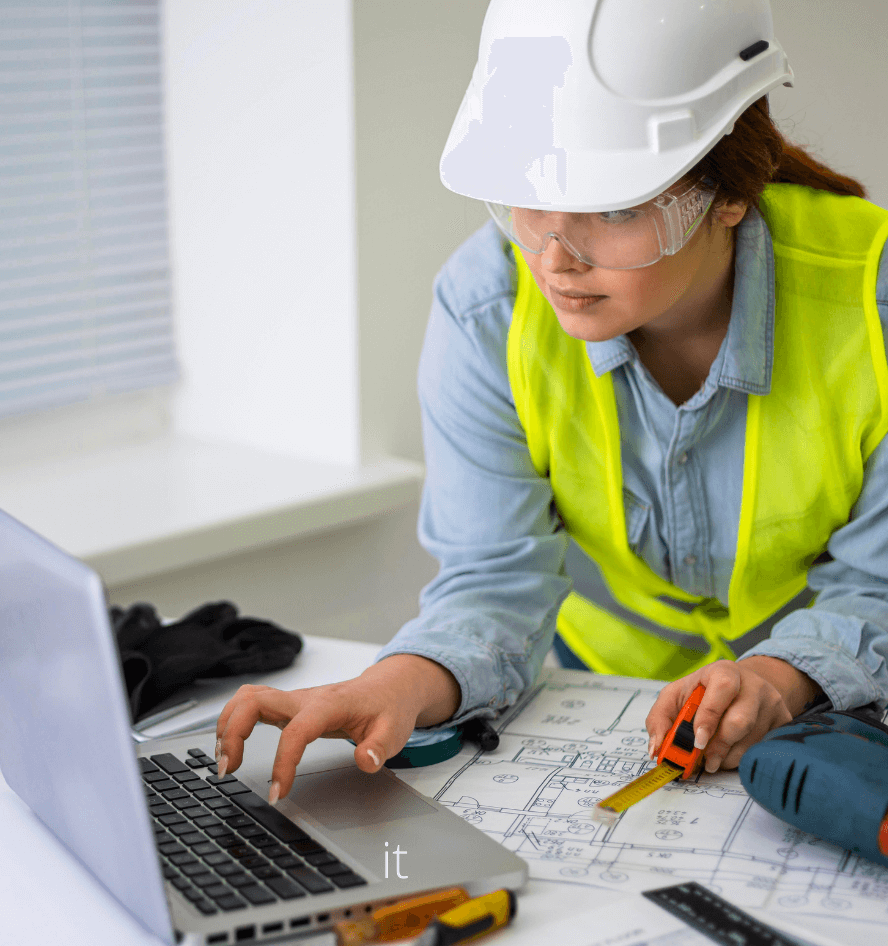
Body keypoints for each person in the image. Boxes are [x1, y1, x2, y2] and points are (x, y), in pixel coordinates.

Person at [216, 0, 888, 802]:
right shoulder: (486, 308)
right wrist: (394, 683)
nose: (554, 256)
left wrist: (778, 679)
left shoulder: (871, 303)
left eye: (613, 209)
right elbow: (493, 581)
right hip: (596, 710)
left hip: (834, 722)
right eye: (528, 197)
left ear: (730, 191)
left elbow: (878, 586)